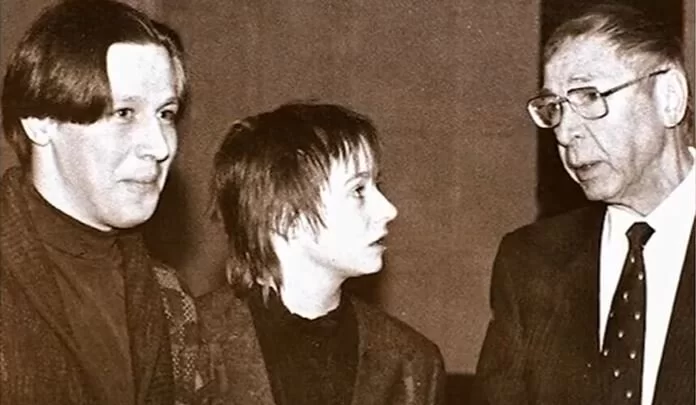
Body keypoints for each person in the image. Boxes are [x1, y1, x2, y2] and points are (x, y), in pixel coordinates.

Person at [475, 4, 694, 405]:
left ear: (670, 97)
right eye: (554, 108)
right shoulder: (529, 262)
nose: (565, 132)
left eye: (590, 96)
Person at [0, 1, 196, 404]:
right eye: (124, 113)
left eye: (166, 114)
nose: (159, 147)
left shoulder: (172, 300)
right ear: (40, 121)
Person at [196, 102, 446, 405]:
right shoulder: (187, 342)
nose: (389, 210)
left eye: (377, 185)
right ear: (284, 216)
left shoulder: (412, 361)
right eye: (358, 190)